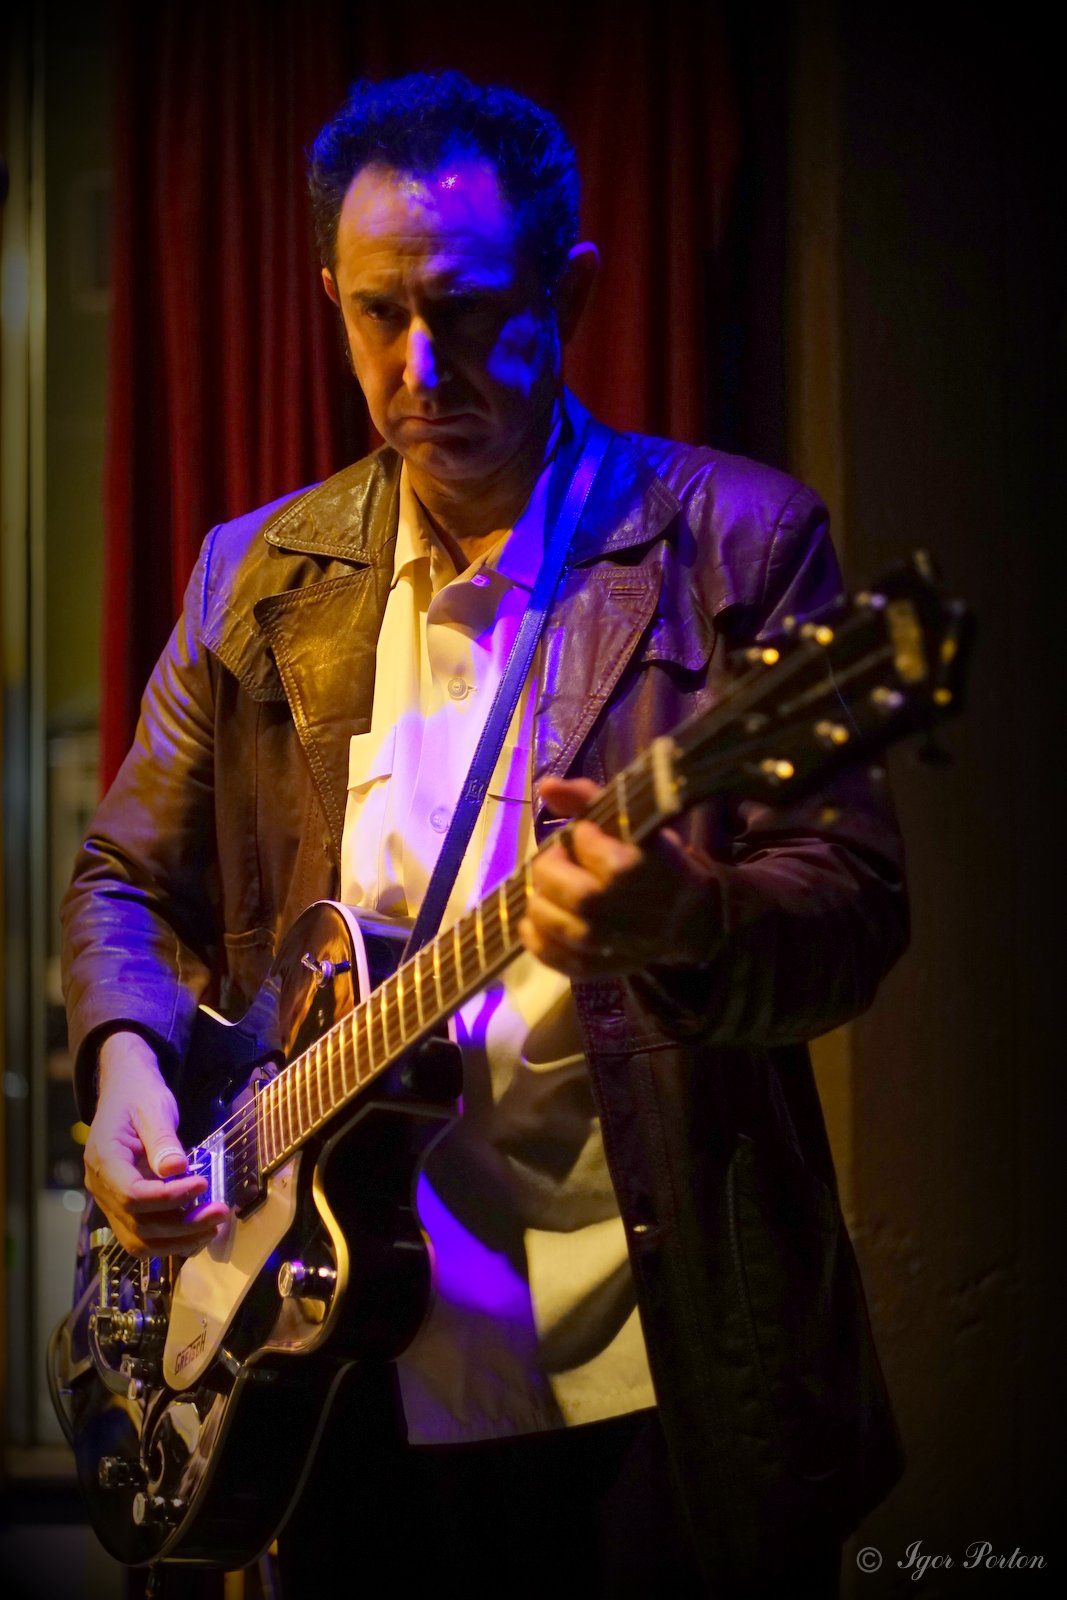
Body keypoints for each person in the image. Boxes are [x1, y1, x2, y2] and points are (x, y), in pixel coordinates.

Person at [62, 72, 907, 1597]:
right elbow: (124, 875)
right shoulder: (253, 576)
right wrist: (125, 1062)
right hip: (332, 1376)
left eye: (461, 310)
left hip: (655, 1371)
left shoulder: (739, 544)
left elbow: (853, 912)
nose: (418, 363)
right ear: (329, 299)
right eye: (378, 314)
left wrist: (690, 921)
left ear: (566, 292)